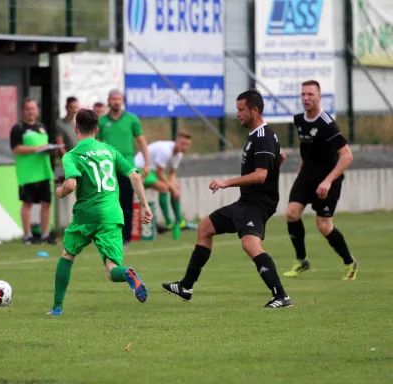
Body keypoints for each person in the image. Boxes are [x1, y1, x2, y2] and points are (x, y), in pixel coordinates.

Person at [161, 90, 293, 309]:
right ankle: (186, 286)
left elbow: (261, 175)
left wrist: (226, 183)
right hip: (247, 202)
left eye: (241, 110)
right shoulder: (259, 135)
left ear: (254, 110)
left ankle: (281, 296)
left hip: (258, 203)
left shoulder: (262, 136)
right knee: (205, 228)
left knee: (250, 244)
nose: (237, 114)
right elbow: (280, 157)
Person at [47, 109, 153, 316]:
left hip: (87, 214)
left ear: (76, 129)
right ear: (96, 130)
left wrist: (60, 192)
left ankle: (57, 307)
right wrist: (145, 206)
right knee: (112, 270)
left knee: (68, 255)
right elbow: (135, 176)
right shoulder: (109, 150)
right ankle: (128, 273)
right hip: (112, 213)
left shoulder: (72, 155)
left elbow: (70, 184)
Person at [283, 80, 358, 280]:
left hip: (328, 178)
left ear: (319, 97)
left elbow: (347, 156)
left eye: (310, 95)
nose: (306, 98)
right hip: (307, 175)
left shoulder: (327, 124)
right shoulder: (299, 119)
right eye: (303, 95)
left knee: (324, 226)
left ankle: (350, 262)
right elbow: (307, 149)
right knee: (291, 213)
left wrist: (327, 181)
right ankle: (301, 260)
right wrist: (303, 170)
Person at [97, 89, 150, 248]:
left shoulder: (132, 119)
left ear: (122, 100)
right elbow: (96, 144)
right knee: (107, 203)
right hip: (107, 168)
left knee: (126, 203)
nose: (116, 101)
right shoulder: (101, 121)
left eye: (119, 98)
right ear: (108, 100)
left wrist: (147, 163)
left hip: (126, 167)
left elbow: (141, 141)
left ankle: (125, 237)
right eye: (113, 98)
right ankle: (108, 235)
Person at [10, 98, 56, 245]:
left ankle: (44, 234)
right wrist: (37, 149)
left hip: (43, 171)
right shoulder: (18, 128)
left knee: (46, 203)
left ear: (38, 110)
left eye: (33, 108)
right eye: (28, 109)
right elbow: (16, 149)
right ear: (23, 111)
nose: (31, 111)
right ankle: (28, 235)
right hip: (28, 173)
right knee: (27, 203)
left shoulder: (41, 127)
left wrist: (48, 149)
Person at [134, 131, 192, 230]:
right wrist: (171, 188)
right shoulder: (165, 150)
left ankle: (179, 221)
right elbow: (159, 173)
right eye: (182, 144)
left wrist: (174, 187)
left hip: (152, 171)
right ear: (176, 141)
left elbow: (172, 173)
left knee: (176, 187)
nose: (185, 147)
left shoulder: (179, 154)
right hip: (140, 168)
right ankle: (169, 222)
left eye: (187, 145)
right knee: (164, 188)